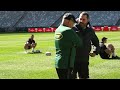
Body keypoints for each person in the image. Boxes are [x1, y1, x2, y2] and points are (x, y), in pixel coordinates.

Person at [72, 12, 100, 79]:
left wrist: (95, 51)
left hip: (84, 59)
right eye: (80, 19)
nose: (81, 21)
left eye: (83, 19)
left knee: (84, 77)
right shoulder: (72, 29)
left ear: (88, 20)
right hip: (73, 60)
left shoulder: (90, 31)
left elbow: (96, 43)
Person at [54, 13, 83, 79]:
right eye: (73, 22)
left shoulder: (58, 29)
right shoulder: (68, 30)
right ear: (69, 21)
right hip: (66, 63)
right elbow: (79, 43)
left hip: (58, 61)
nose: (73, 25)